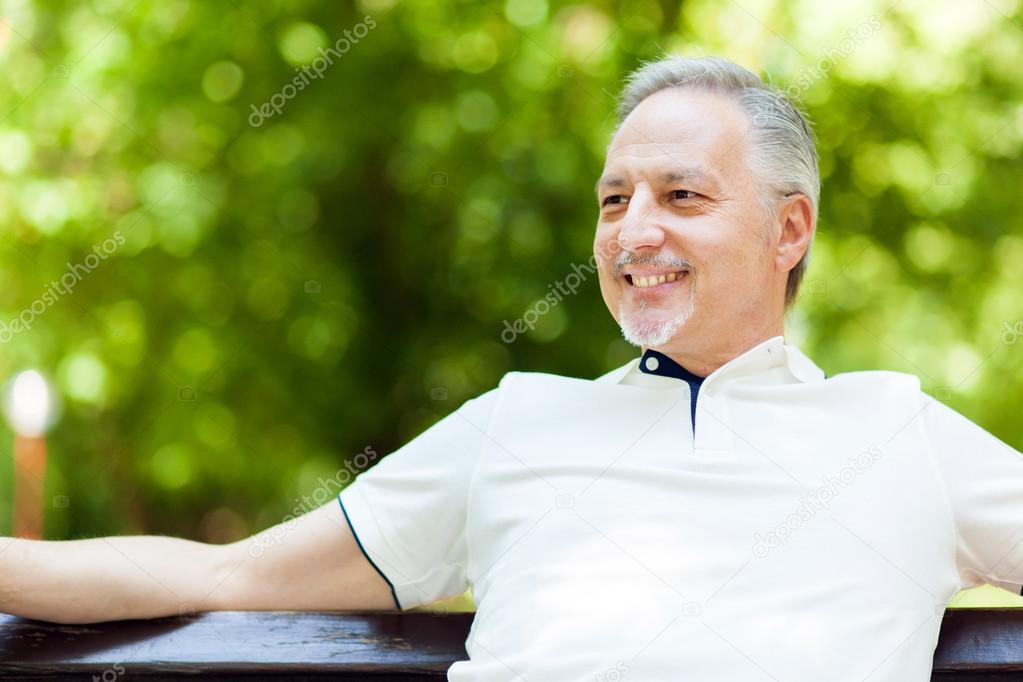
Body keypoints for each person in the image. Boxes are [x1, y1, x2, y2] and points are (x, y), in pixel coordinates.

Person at [3, 55, 1021, 682]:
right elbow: (224, 571)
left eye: (682, 195)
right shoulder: (516, 424)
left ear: (787, 228)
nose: (634, 230)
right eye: (614, 198)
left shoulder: (899, 432)